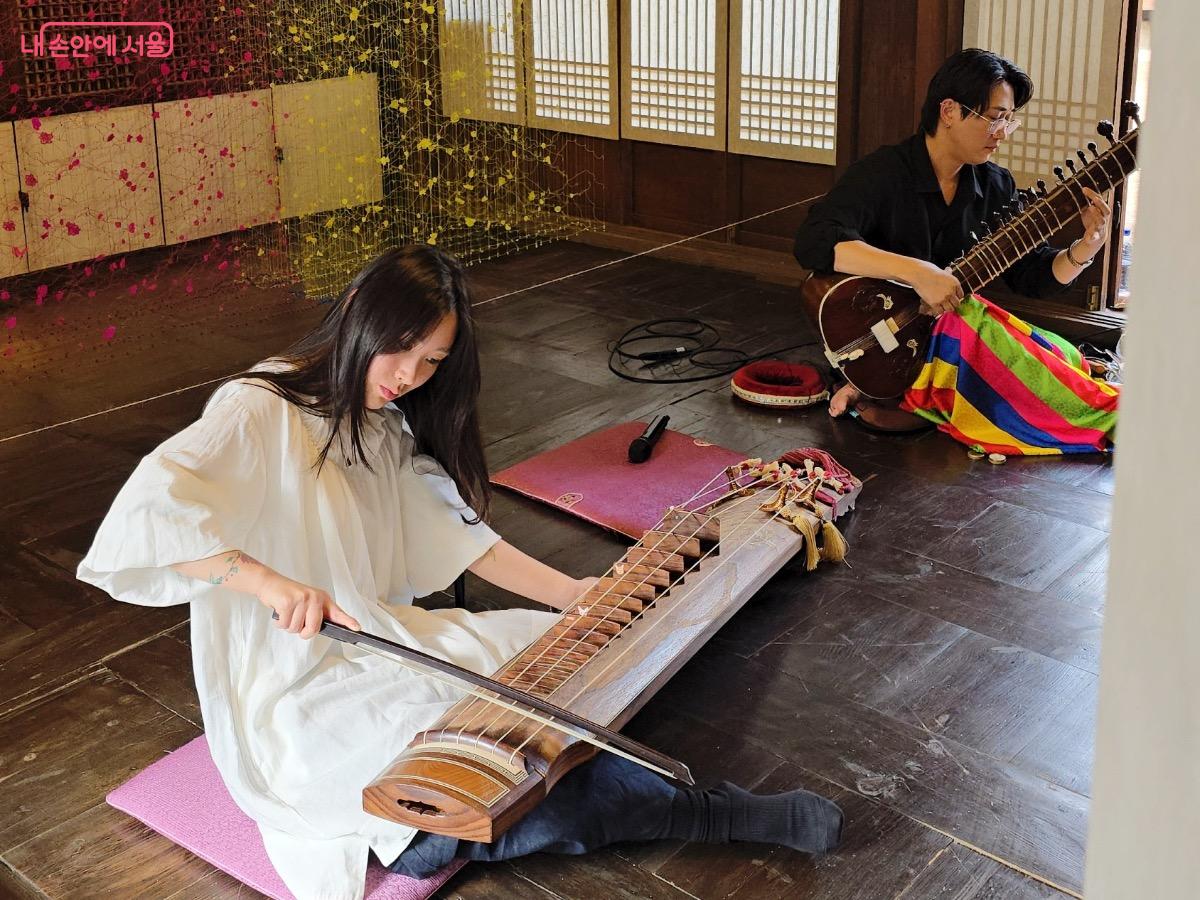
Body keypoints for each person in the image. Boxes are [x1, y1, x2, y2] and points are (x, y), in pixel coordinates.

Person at [78, 245, 842, 900]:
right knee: (450, 786)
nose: (409, 375)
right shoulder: (258, 406)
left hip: (377, 640)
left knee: (556, 664)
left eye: (432, 362)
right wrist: (268, 584)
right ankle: (711, 814)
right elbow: (151, 517)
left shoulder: (382, 423)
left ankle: (521, 812)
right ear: (357, 311)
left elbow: (457, 534)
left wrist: (576, 595)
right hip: (288, 690)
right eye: (401, 349)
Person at [794, 48, 1120, 455]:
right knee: (985, 333)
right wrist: (918, 273)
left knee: (1066, 356)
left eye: (1009, 120)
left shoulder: (994, 185)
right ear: (949, 111)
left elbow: (1030, 276)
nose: (1002, 132)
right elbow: (814, 240)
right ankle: (1115, 417)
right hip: (884, 342)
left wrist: (1085, 248)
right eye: (995, 117)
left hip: (938, 340)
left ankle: (899, 395)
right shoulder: (884, 173)